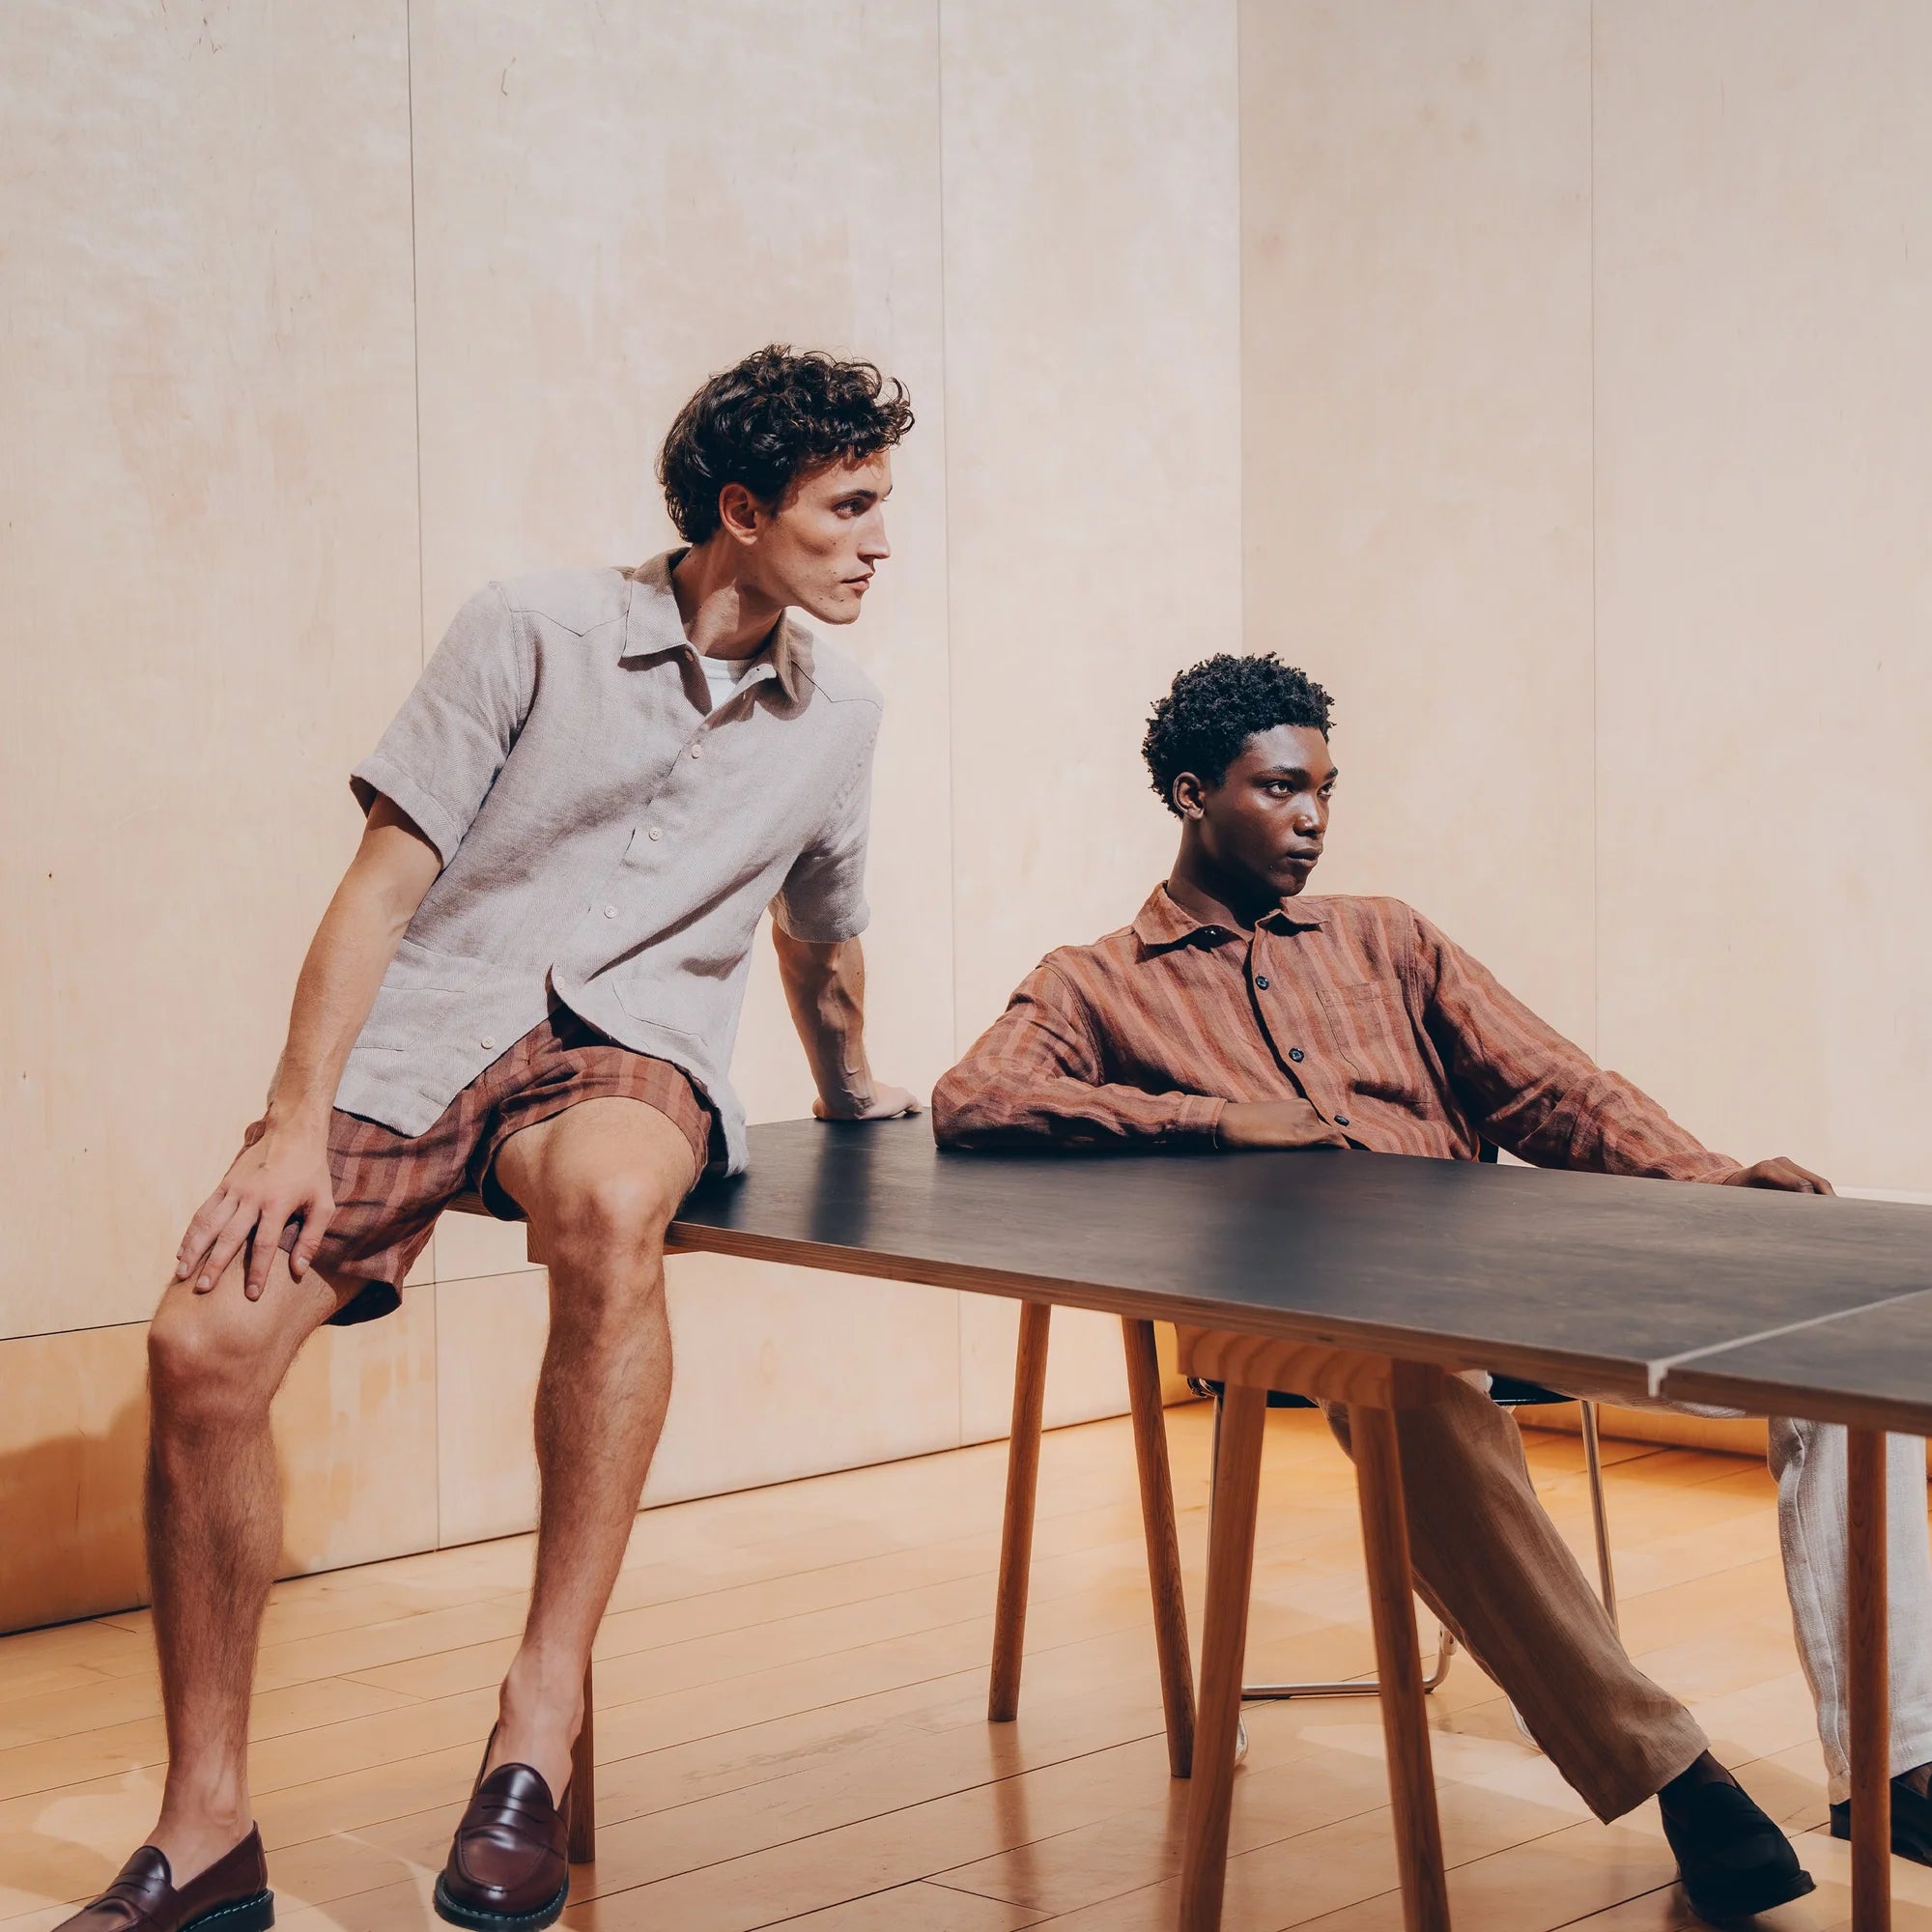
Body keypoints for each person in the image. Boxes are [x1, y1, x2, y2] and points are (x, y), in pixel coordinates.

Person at [59, 346, 922, 1932]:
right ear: (743, 511)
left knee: (610, 1201)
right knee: (202, 1346)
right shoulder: (532, 626)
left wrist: (856, 1091)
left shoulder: (840, 714)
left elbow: (820, 937)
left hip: (630, 1048)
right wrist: (290, 1123)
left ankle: (536, 1717)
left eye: (882, 506)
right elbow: (383, 885)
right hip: (434, 1032)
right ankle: (207, 1825)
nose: (882, 543)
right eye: (849, 507)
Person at [933, 651, 1932, 1924]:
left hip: (1500, 1270)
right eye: (1279, 788)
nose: (1313, 818)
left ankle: (1897, 1763)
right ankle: (1675, 1773)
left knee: (1842, 1339)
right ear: (1191, 793)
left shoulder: (1387, 937)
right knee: (1409, 1395)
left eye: (1326, 790)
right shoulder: (1098, 980)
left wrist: (1712, 1183)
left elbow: (1551, 1088)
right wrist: (1215, 1120)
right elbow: (977, 1097)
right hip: (1312, 1319)